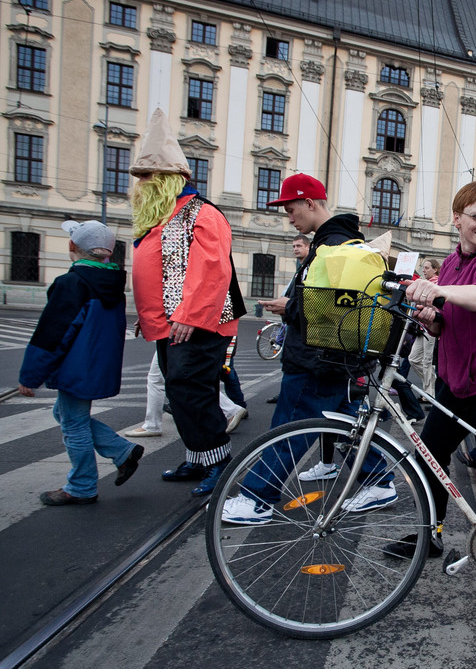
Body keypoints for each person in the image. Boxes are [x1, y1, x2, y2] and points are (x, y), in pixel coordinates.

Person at [221, 173, 384, 524]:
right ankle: (381, 479)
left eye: (291, 208)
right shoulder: (342, 242)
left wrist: (290, 307)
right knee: (348, 423)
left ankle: (257, 498)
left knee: (288, 429)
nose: (289, 217)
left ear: (310, 203)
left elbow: (337, 307)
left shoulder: (333, 246)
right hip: (335, 358)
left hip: (316, 358)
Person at [384, 181, 476, 558]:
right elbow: (446, 322)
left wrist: (441, 292)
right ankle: (429, 536)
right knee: (430, 456)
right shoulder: (451, 262)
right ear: (457, 218)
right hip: (456, 384)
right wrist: (432, 316)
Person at [130, 109, 245, 497]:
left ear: (167, 179)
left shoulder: (202, 212)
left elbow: (211, 269)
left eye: (146, 176)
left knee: (190, 390)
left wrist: (191, 315)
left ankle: (219, 462)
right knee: (179, 393)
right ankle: (198, 457)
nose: (141, 184)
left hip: (198, 323)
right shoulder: (163, 218)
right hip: (170, 323)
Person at [19, 220, 144, 505]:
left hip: (76, 366)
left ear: (72, 246)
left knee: (72, 423)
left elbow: (52, 334)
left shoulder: (72, 283)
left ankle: (82, 486)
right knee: (64, 414)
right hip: (98, 366)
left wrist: (30, 375)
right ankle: (122, 450)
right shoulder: (113, 283)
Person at [266, 234, 312, 405]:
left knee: (295, 361)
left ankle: (292, 395)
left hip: (299, 322)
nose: (295, 249)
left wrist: (288, 306)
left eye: (299, 246)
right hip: (290, 320)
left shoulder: (310, 266)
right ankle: (286, 392)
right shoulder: (300, 267)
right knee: (286, 358)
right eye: (293, 246)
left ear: (308, 247)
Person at [409, 258, 441, 398]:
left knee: (427, 360)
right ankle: (430, 384)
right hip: (421, 328)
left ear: (435, 269)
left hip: (431, 326)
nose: (424, 270)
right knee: (413, 359)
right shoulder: (426, 283)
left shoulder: (437, 284)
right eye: (424, 268)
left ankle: (429, 393)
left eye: (427, 268)